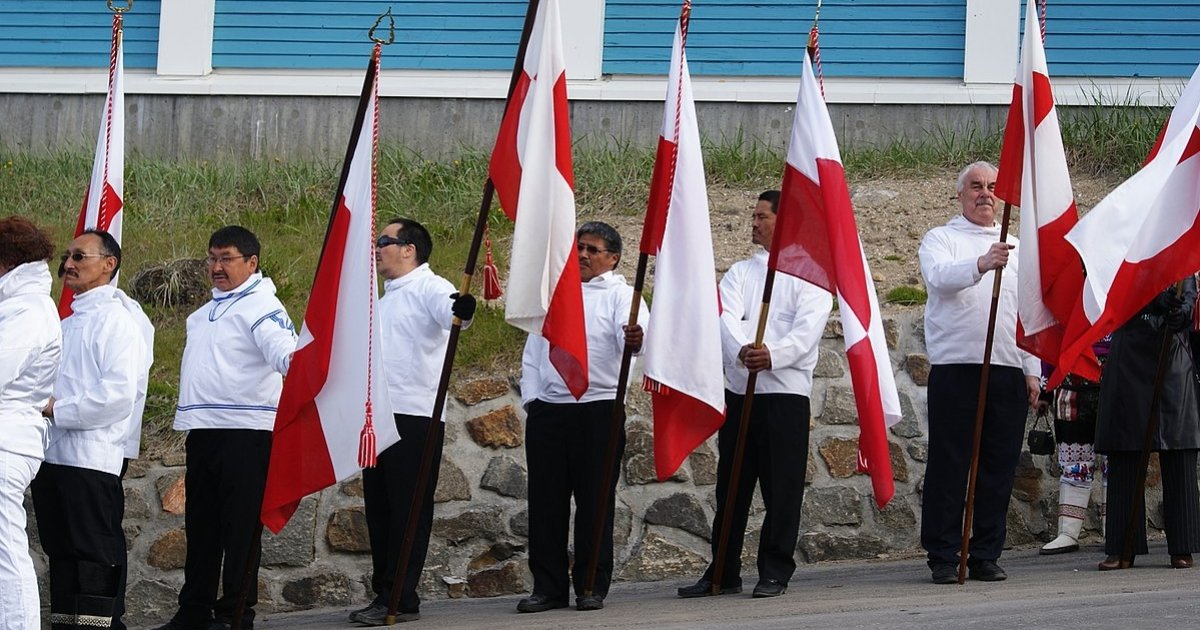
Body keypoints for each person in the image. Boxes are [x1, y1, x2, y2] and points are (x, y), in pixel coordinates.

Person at [676, 190, 832, 600]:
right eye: (754, 216)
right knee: (732, 486)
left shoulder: (811, 276)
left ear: (785, 222)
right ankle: (723, 570)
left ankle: (775, 570)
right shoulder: (739, 273)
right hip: (741, 392)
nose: (754, 223)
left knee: (782, 488)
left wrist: (773, 354)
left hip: (784, 396)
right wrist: (743, 349)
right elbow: (724, 317)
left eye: (763, 216)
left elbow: (806, 332)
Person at [154, 226, 296, 630]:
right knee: (201, 525)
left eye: (227, 258)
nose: (217, 267)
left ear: (252, 262)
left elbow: (286, 353)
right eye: (212, 258)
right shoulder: (201, 315)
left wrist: (301, 362)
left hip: (247, 433)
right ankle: (194, 609)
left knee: (240, 527)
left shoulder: (263, 306)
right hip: (204, 430)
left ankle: (235, 613)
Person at [347, 218, 476, 625]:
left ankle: (399, 597)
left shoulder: (429, 286)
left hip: (415, 416)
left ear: (409, 249)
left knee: (407, 509)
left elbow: (452, 310)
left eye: (384, 241)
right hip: (379, 416)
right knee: (380, 509)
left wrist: (463, 309)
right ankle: (385, 592)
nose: (377, 248)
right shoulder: (384, 299)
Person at [917, 162, 1040, 584]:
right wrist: (982, 263)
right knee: (950, 463)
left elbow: (1026, 313)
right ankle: (943, 553)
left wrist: (1031, 370)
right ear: (961, 195)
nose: (985, 193)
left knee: (998, 467)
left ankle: (985, 552)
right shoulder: (941, 239)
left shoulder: (1017, 247)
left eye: (991, 186)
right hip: (956, 367)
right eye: (976, 186)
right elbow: (939, 278)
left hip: (1006, 368)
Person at [516, 221, 647, 614]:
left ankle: (591, 584)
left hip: (598, 408)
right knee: (546, 502)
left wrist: (635, 339)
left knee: (594, 501)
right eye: (579, 248)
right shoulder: (556, 295)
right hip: (550, 411)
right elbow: (533, 353)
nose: (584, 255)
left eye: (593, 249)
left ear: (613, 258)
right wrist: (533, 400)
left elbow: (636, 341)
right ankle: (548, 587)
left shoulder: (623, 296)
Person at [32, 229, 153, 630]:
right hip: (54, 456)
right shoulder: (67, 322)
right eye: (66, 257)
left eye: (79, 257)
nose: (68, 265)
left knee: (94, 557)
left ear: (108, 264)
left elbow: (118, 395)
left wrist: (58, 409)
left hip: (91, 458)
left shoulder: (119, 321)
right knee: (62, 555)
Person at [1095, 280, 1200, 570]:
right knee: (1125, 452)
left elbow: (1189, 294)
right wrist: (1152, 300)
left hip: (1172, 358)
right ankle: (1122, 546)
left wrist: (1183, 313)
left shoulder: (1178, 262)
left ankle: (1182, 545)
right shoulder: (1121, 256)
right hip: (1129, 356)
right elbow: (1114, 296)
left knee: (1178, 451)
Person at [0, 216, 61, 630]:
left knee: (6, 553)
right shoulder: (19, 304)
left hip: (8, 440)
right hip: (11, 435)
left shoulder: (27, 309)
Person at [1038, 337, 1109, 555]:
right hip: (1071, 382)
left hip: (1115, 380)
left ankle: (1116, 531)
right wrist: (1045, 390)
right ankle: (1068, 532)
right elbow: (1051, 335)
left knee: (1116, 462)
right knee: (1073, 463)